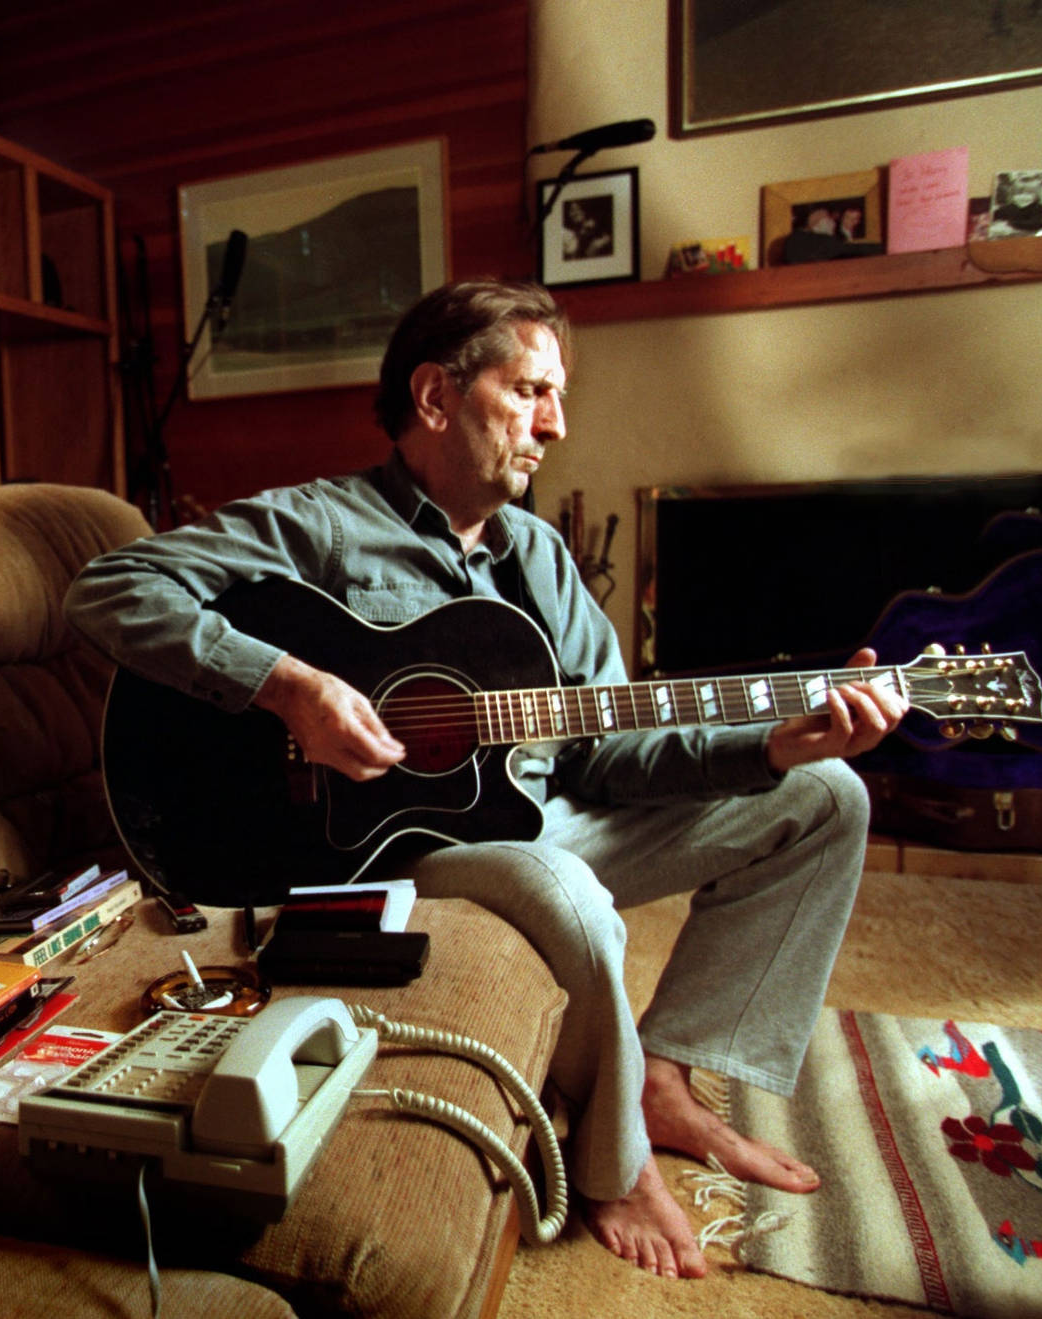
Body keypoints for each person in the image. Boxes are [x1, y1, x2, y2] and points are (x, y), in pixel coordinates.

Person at [64, 279, 907, 1279]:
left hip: (543, 812)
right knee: (567, 890)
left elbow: (607, 750)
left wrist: (775, 744)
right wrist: (286, 687)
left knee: (825, 800)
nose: (557, 422)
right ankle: (613, 1162)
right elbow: (112, 587)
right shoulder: (321, 524)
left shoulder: (542, 559)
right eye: (531, 391)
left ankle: (667, 1072)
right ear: (436, 397)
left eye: (557, 396)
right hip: (401, 847)